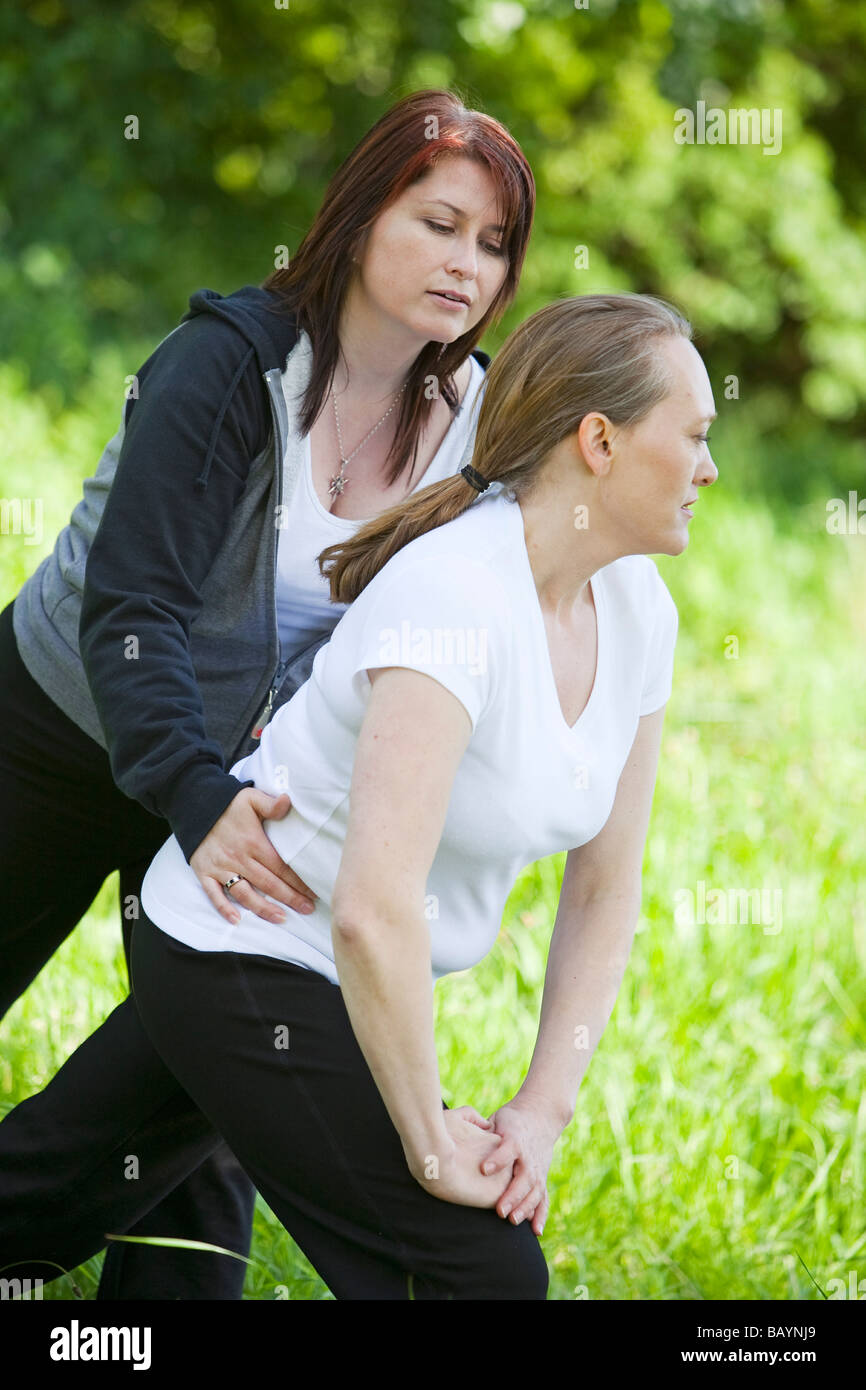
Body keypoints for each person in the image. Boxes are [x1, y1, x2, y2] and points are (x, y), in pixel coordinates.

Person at [0, 291, 718, 1300]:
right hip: (249, 947)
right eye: (691, 437)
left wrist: (536, 1114)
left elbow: (606, 885)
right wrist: (429, 1144)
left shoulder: (637, 608)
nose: (708, 469)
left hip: (330, 972)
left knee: (43, 1191)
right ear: (597, 439)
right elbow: (373, 912)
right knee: (481, 1282)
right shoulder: (453, 600)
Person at [0, 88, 534, 1299]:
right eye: (438, 223)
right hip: (58, 730)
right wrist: (192, 792)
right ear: (356, 220)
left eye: (493, 245)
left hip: (234, 779)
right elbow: (129, 614)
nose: (466, 264)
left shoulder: (474, 432)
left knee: (206, 1077)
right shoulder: (224, 368)